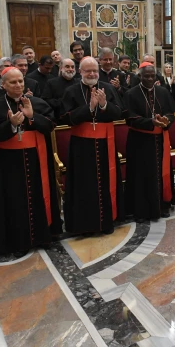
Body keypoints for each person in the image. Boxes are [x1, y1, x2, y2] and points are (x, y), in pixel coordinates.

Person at [0, 67, 58, 256]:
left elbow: (50, 126)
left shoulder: (38, 102)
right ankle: (18, 241)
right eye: (13, 82)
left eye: (20, 81)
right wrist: (11, 125)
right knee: (14, 200)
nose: (18, 85)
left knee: (40, 194)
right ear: (4, 85)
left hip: (36, 157)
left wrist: (32, 116)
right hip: (10, 162)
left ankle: (43, 236)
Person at [60, 57, 124, 234]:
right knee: (84, 185)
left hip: (106, 144)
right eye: (87, 71)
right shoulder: (71, 91)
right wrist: (88, 108)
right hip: (81, 147)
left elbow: (119, 113)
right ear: (80, 72)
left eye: (94, 70)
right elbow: (65, 117)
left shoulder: (109, 88)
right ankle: (85, 225)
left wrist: (104, 104)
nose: (92, 74)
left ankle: (107, 221)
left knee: (107, 182)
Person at [124, 63, 175, 222]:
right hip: (139, 142)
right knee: (141, 175)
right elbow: (129, 117)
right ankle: (141, 211)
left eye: (152, 76)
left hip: (160, 139)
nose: (149, 79)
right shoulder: (131, 94)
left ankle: (163, 205)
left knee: (162, 173)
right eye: (146, 76)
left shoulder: (162, 91)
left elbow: (171, 112)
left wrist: (166, 120)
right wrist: (150, 122)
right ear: (139, 76)